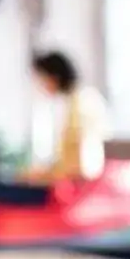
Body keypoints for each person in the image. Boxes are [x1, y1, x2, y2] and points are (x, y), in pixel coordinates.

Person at [24, 50, 107, 186]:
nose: (41, 87)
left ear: (54, 77)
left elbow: (82, 162)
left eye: (42, 80)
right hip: (78, 180)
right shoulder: (76, 100)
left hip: (84, 186)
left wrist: (46, 175)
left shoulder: (82, 103)